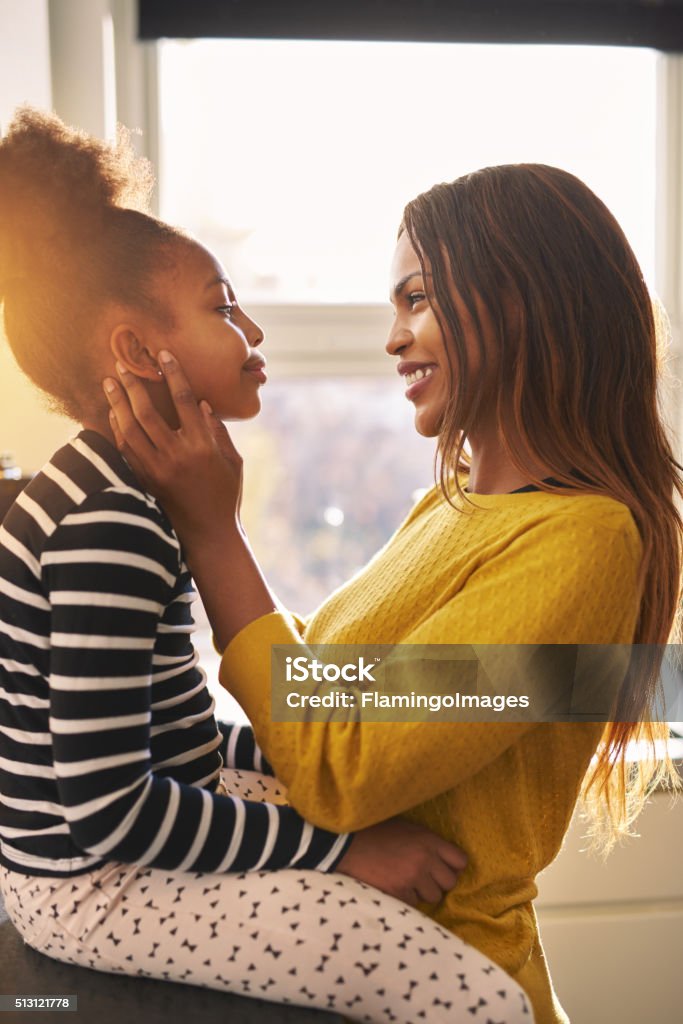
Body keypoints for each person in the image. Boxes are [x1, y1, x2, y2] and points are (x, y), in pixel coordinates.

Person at [105, 163, 683, 1024]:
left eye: (416, 300)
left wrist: (214, 533)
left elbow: (345, 767)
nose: (392, 338)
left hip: (449, 978)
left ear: (517, 300)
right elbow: (339, 681)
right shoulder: (449, 508)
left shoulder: (587, 541)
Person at [0, 107, 533, 1024]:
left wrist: (322, 797)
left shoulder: (110, 493)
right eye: (221, 306)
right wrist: (336, 847)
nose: (251, 329)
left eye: (418, 303)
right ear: (134, 351)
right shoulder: (111, 523)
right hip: (98, 883)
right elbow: (111, 809)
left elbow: (180, 738)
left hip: (120, 837)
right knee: (477, 1002)